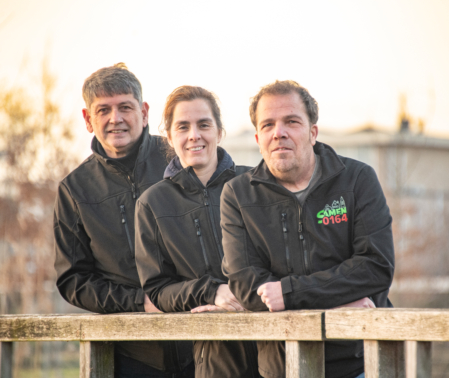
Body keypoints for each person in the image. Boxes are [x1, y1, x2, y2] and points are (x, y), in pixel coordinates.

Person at [220, 80, 394, 378]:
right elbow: (248, 287)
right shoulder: (237, 195)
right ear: (258, 138)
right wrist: (330, 312)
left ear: (313, 132)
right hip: (283, 366)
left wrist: (289, 293)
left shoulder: (357, 180)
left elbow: (375, 267)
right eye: (268, 125)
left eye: (291, 121)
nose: (279, 132)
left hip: (360, 362)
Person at [53, 63, 194, 378]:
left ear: (144, 112)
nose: (115, 118)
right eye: (103, 110)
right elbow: (73, 279)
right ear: (88, 119)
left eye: (125, 107)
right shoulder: (74, 189)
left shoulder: (182, 159)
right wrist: (140, 301)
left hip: (203, 345)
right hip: (130, 354)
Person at [134, 86, 260, 378]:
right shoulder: (152, 203)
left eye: (204, 124)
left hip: (277, 344)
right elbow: (157, 289)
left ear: (219, 131)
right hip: (216, 356)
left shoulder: (254, 183)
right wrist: (213, 292)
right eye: (183, 127)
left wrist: (247, 293)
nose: (194, 135)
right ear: (169, 136)